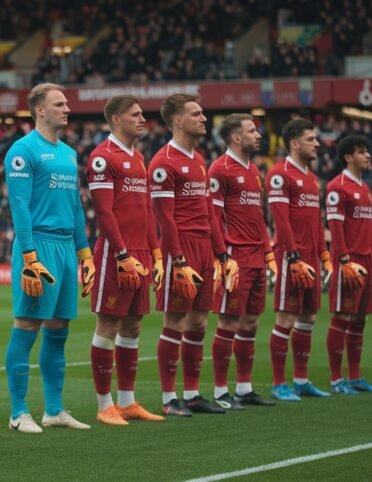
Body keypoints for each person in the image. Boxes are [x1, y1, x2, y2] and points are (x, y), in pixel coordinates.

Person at [4, 83, 95, 433]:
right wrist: (28, 254)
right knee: (27, 324)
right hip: (38, 246)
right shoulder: (23, 150)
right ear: (39, 109)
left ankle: (54, 410)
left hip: (66, 248)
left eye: (67, 102)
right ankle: (18, 412)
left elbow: (75, 206)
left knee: (59, 329)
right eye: (59, 103)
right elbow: (19, 205)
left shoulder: (69, 154)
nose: (67, 108)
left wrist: (85, 252)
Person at [149, 93, 233, 417]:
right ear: (178, 120)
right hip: (179, 247)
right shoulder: (162, 163)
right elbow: (165, 219)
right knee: (175, 320)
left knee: (199, 321)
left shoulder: (199, 161)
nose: (204, 118)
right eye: (196, 113)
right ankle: (170, 398)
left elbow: (211, 212)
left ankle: (194, 394)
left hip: (204, 248)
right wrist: (178, 260)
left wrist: (222, 254)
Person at [86, 95, 164, 425]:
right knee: (109, 324)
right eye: (135, 114)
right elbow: (103, 211)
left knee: (133, 325)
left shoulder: (139, 157)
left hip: (142, 253)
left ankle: (128, 402)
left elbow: (146, 210)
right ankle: (105, 405)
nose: (142, 118)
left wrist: (156, 253)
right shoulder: (103, 157)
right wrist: (121, 255)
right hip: (116, 255)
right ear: (116, 119)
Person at [208, 114, 277, 409]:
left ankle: (245, 388)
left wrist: (268, 252)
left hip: (257, 256)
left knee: (251, 322)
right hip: (234, 257)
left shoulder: (254, 171)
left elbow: (258, 217)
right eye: (252, 131)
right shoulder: (220, 170)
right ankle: (221, 391)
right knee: (228, 322)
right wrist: (222, 256)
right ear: (236, 137)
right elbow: (213, 217)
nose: (258, 135)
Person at [266, 118, 332, 401]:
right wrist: (293, 257)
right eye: (311, 139)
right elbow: (280, 221)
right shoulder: (279, 174)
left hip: (311, 257)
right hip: (290, 257)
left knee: (308, 317)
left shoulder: (311, 178)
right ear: (294, 143)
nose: (317, 144)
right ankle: (279, 384)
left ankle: (302, 380)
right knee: (286, 317)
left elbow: (316, 222)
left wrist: (323, 256)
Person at [324, 135, 372, 394]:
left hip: (366, 260)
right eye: (362, 152)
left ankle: (355, 376)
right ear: (349, 157)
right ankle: (337, 379)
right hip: (348, 260)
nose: (368, 156)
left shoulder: (364, 188)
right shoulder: (336, 187)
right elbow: (336, 229)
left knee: (360, 318)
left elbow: (368, 226)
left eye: (368, 151)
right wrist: (345, 261)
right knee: (342, 316)